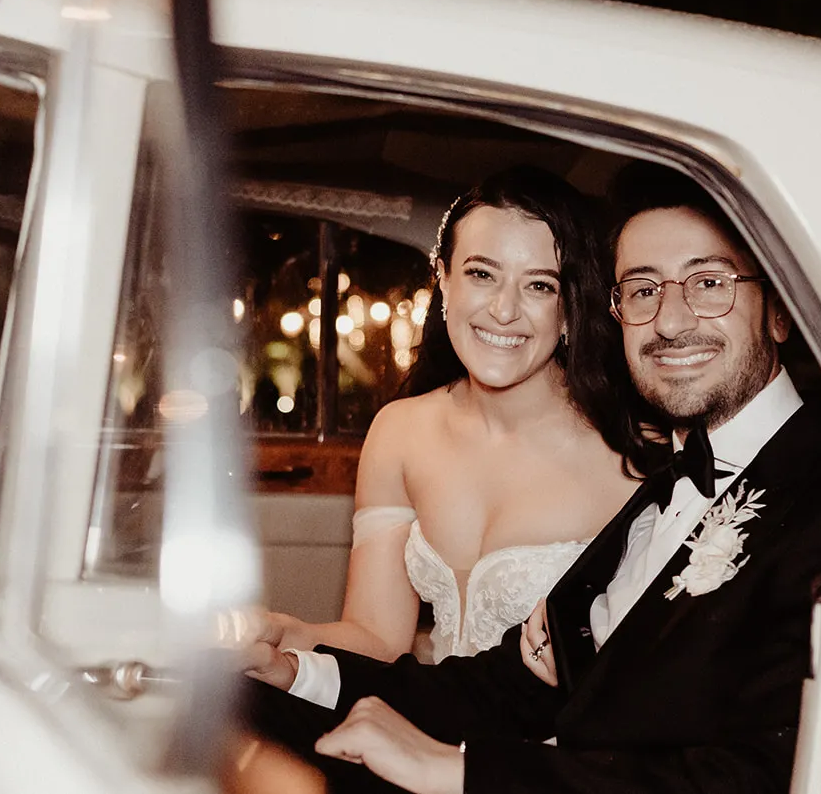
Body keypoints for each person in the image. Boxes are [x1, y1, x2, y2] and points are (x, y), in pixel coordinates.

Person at [243, 168, 821, 794]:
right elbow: (511, 686)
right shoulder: (666, 490)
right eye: (643, 289)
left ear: (780, 310)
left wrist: (458, 774)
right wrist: (297, 671)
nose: (669, 321)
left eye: (709, 283)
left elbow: (774, 774)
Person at [249, 167, 647, 666]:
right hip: (419, 718)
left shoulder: (629, 456)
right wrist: (284, 633)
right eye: (482, 274)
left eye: (540, 286)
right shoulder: (400, 431)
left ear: (569, 308)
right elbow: (377, 637)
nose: (504, 310)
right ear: (444, 279)